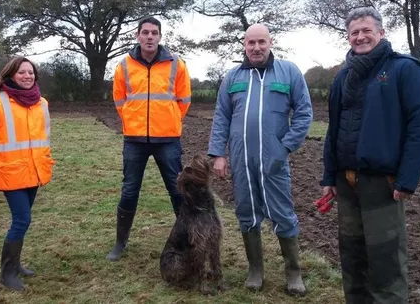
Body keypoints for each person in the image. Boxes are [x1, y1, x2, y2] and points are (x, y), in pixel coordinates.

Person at [320, 7, 420, 303]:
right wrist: (329, 176)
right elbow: (334, 129)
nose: (361, 37)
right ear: (348, 37)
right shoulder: (342, 76)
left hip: (382, 183)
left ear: (381, 33)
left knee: (386, 260)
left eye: (367, 30)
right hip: (346, 182)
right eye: (354, 32)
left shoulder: (406, 70)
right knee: (352, 257)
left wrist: (407, 180)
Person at [208, 24, 312, 296]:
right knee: (246, 212)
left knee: (282, 213)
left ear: (270, 42)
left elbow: (304, 113)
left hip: (274, 159)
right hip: (242, 159)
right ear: (244, 44)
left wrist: (286, 146)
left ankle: (293, 271)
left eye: (261, 42)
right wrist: (218, 153)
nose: (256, 48)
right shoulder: (233, 77)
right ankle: (256, 269)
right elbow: (221, 117)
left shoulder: (289, 72)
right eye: (251, 42)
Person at [106, 16, 192, 261]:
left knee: (178, 192)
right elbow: (119, 100)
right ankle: (120, 243)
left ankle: (186, 242)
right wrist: (133, 121)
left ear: (160, 37)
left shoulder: (177, 64)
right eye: (145, 32)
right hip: (134, 140)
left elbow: (184, 100)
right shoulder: (124, 66)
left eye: (154, 33)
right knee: (129, 190)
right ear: (137, 36)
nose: (150, 37)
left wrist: (170, 119)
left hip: (168, 140)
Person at [0, 57, 55, 291]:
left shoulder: (41, 103)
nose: (27, 76)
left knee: (21, 220)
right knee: (22, 219)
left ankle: (15, 265)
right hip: (11, 173)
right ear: (11, 75)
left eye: (31, 73)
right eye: (22, 72)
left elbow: (44, 136)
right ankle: (7, 274)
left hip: (34, 170)